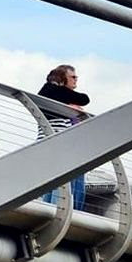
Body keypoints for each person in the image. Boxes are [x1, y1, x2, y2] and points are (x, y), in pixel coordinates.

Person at [36, 64, 89, 211]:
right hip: (59, 143)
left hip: (56, 143)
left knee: (54, 181)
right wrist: (71, 104)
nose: (76, 79)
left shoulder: (51, 93)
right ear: (62, 77)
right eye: (72, 77)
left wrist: (69, 104)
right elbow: (84, 99)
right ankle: (63, 212)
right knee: (65, 181)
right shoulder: (51, 90)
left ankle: (52, 210)